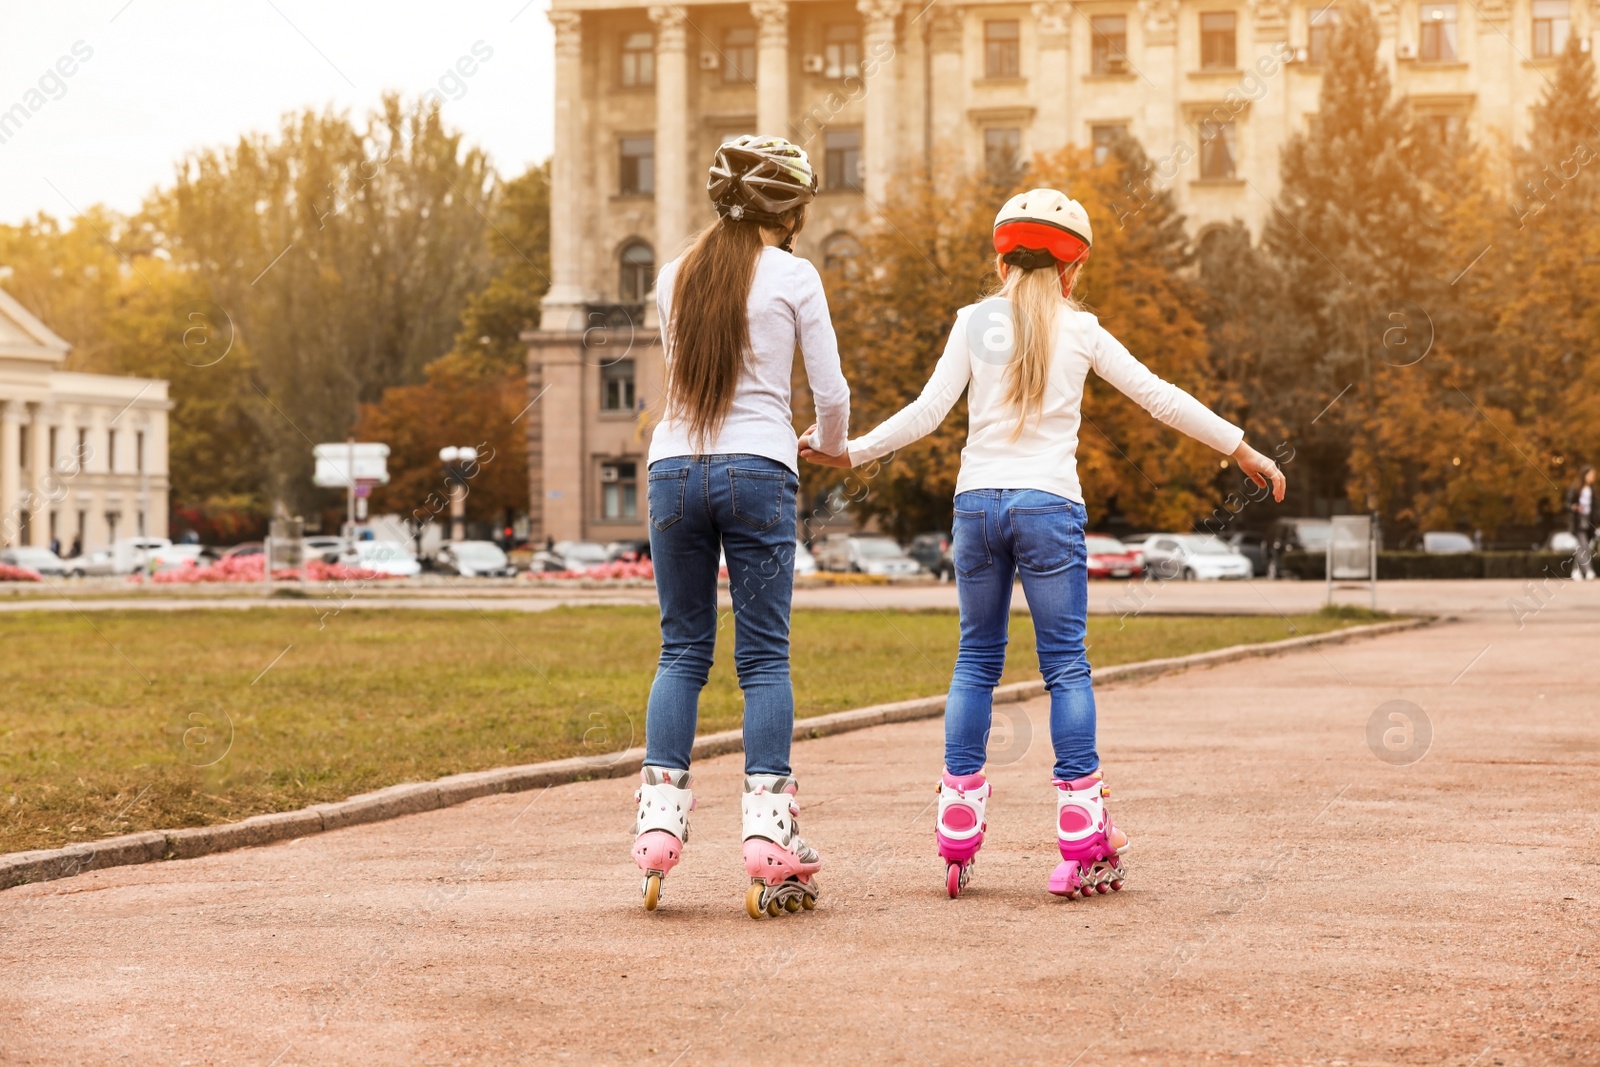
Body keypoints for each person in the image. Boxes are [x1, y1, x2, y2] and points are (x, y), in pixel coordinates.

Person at [802, 189, 1286, 899]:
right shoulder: (1081, 329)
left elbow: (929, 412)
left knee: (975, 659)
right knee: (1066, 666)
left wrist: (854, 451)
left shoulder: (972, 322)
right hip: (1050, 504)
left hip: (977, 504)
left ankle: (960, 817)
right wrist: (1242, 447)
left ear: (1002, 262)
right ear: (1071, 271)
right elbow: (1160, 395)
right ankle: (1082, 827)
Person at [631, 135, 850, 919]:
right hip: (759, 468)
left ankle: (658, 827)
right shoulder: (794, 275)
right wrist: (828, 445)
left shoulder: (672, 275)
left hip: (672, 470)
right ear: (786, 210)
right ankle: (769, 840)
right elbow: (831, 393)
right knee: (762, 657)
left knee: (682, 648)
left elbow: (678, 373)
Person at [1565, 466, 1595, 580]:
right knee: (1584, 546)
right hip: (1578, 521)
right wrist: (1574, 507)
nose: (1593, 477)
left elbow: (1595, 507)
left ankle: (1575, 571)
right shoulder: (1576, 489)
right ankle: (1589, 571)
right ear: (1584, 475)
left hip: (1589, 521)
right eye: (1591, 475)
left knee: (1583, 547)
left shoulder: (1592, 489)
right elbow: (1568, 504)